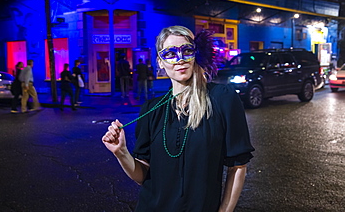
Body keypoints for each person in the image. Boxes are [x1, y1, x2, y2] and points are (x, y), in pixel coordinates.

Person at [102, 25, 255, 211]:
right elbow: (143, 176)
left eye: (187, 51)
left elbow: (238, 166)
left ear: (196, 54)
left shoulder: (223, 98)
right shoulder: (151, 110)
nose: (180, 60)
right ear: (160, 62)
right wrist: (121, 152)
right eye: (170, 54)